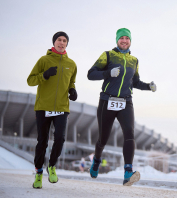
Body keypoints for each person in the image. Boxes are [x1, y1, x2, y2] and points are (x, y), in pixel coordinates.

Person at [87, 28, 156, 186]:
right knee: (103, 139)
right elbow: (90, 74)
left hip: (126, 102)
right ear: (117, 40)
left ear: (130, 41)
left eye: (127, 38)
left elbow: (135, 82)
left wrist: (148, 86)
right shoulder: (108, 55)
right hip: (107, 101)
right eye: (121, 38)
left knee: (129, 134)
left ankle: (127, 172)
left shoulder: (134, 60)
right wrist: (107, 73)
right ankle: (96, 160)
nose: (124, 41)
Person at [27, 31, 78, 189]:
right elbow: (30, 80)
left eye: (64, 41)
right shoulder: (44, 60)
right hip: (43, 107)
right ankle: (38, 173)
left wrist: (72, 90)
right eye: (59, 40)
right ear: (54, 42)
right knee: (42, 141)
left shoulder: (72, 64)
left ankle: (52, 166)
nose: (61, 43)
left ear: (67, 44)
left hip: (62, 108)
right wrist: (45, 75)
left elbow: (71, 82)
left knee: (60, 138)